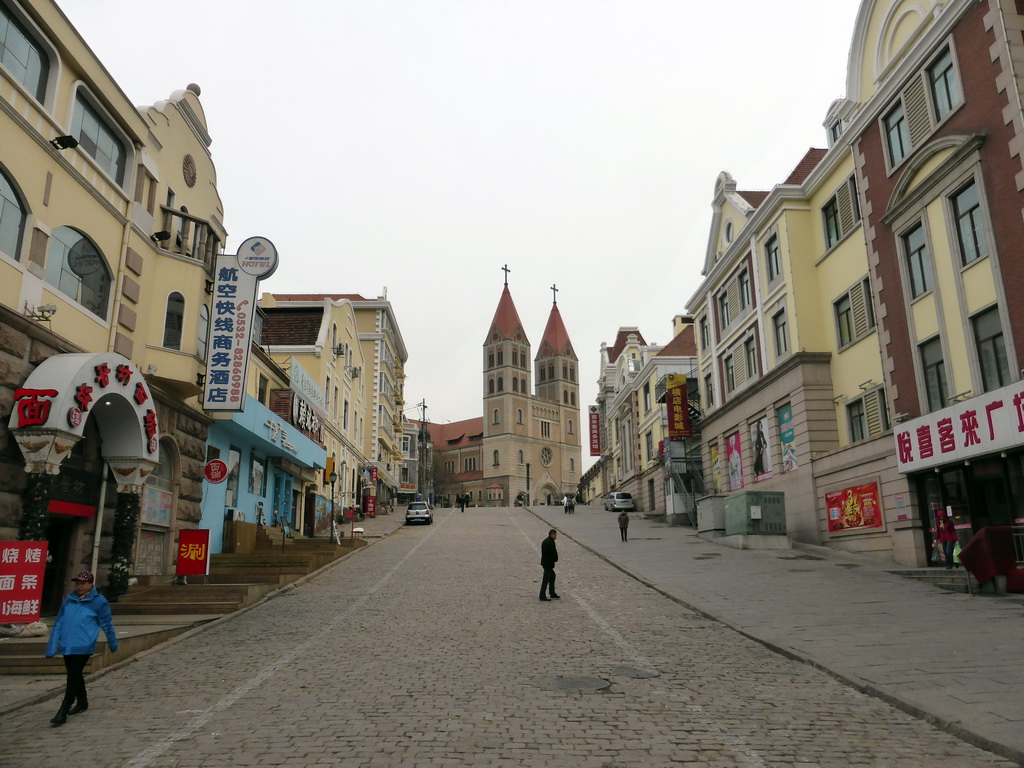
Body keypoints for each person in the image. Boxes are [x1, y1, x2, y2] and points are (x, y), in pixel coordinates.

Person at [45, 571, 118, 727]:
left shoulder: (99, 602)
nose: (79, 586)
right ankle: (82, 701)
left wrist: (113, 643)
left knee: (72, 676)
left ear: (90, 584)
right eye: (77, 583)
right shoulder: (68, 601)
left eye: (83, 583)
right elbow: (58, 623)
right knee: (75, 674)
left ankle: (64, 709)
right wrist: (52, 647)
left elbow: (106, 624)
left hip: (84, 645)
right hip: (67, 645)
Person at [539, 529, 560, 601]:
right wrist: (555, 559)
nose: (556, 536)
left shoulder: (546, 541)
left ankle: (552, 592)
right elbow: (553, 552)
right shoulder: (550, 542)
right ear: (552, 535)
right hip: (548, 564)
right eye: (555, 535)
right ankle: (542, 595)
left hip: (545, 562)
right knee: (546, 579)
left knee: (552, 576)